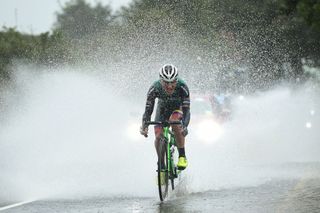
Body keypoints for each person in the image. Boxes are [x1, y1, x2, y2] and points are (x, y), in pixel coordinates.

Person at [140, 64, 190, 170]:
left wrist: (185, 125)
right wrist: (144, 125)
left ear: (177, 80)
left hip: (178, 109)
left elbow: (186, 110)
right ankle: (161, 163)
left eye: (173, 82)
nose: (170, 86)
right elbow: (148, 110)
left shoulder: (182, 86)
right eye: (166, 82)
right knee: (159, 135)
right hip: (162, 110)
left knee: (174, 121)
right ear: (161, 81)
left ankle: (182, 156)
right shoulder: (155, 88)